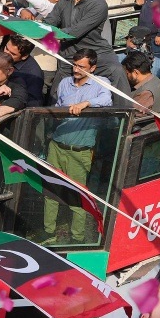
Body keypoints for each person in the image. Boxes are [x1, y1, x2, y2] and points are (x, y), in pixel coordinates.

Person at [46, 49, 111, 241]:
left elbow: (107, 99)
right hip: (57, 145)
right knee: (50, 192)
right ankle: (48, 232)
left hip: (79, 151)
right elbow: (58, 105)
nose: (76, 69)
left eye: (81, 67)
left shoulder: (101, 83)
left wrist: (85, 104)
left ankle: (77, 237)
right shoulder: (66, 82)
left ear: (93, 68)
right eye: (74, 65)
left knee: (78, 196)